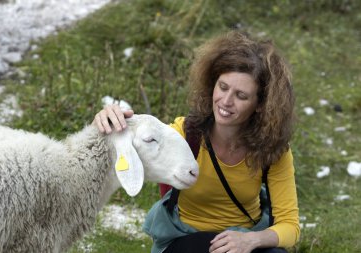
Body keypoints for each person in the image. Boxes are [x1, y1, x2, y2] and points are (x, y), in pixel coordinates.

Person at [93, 31, 299, 253]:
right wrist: (107, 120)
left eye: (241, 96)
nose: (226, 101)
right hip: (186, 241)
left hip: (244, 242)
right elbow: (139, 137)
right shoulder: (185, 133)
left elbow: (290, 226)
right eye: (223, 87)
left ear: (260, 105)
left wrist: (250, 240)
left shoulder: (272, 150)